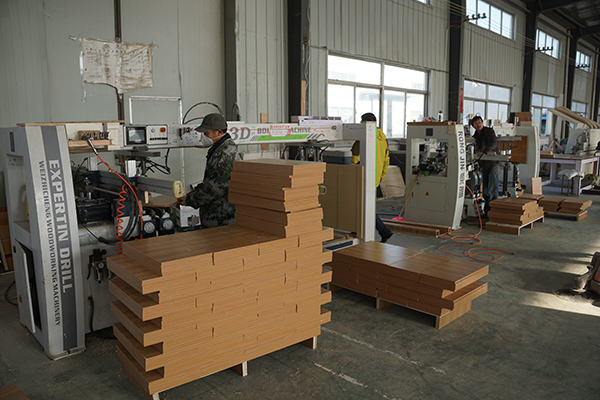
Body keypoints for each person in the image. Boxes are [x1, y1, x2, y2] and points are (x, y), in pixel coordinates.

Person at [180, 113, 241, 228]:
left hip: (221, 218)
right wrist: (197, 190)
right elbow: (213, 179)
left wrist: (190, 200)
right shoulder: (221, 149)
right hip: (216, 214)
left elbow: (216, 188)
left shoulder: (225, 153)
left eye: (207, 133)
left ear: (218, 132)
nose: (204, 135)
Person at [351, 112, 394, 243]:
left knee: (363, 206)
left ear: (366, 123)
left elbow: (355, 156)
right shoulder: (383, 137)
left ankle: (384, 231)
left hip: (363, 176)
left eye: (361, 122)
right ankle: (358, 229)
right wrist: (381, 176)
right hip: (375, 177)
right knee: (363, 205)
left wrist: (352, 171)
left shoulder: (363, 135)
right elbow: (386, 159)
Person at [470, 116, 502, 215]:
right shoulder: (475, 136)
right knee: (485, 189)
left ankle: (494, 211)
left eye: (479, 122)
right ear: (473, 126)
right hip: (484, 164)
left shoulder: (489, 132)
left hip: (493, 162)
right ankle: (487, 211)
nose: (478, 125)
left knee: (493, 187)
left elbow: (493, 143)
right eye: (476, 123)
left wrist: (485, 152)